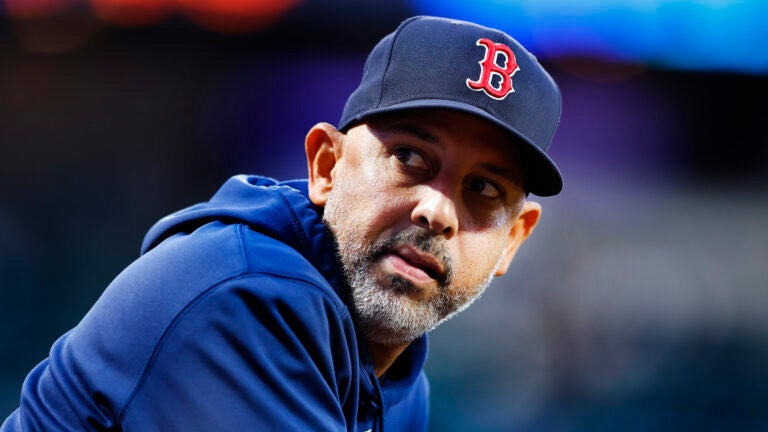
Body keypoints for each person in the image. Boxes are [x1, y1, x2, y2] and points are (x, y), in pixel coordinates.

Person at [1, 15, 563, 431]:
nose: (437, 211)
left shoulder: (397, 374)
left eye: (484, 189)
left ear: (513, 239)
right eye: (410, 158)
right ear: (325, 166)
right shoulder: (240, 295)